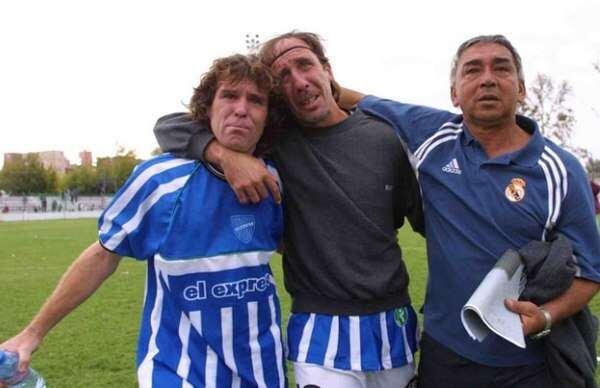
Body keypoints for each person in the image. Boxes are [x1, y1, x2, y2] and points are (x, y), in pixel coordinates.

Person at [155, 32, 423, 388]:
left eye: (305, 65)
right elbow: (168, 126)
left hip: (394, 323)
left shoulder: (385, 136)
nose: (298, 81)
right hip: (319, 327)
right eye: (282, 76)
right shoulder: (277, 141)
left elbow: (423, 220)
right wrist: (225, 155)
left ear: (327, 70)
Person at [0, 54, 286, 388]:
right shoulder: (158, 180)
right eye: (229, 96)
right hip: (178, 370)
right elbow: (103, 255)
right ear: (207, 107)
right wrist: (32, 334)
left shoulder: (276, 182)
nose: (241, 109)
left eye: (256, 101)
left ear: (268, 117)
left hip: (262, 370)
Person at [340, 34, 600, 387]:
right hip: (445, 355)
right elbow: (357, 99)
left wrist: (543, 316)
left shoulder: (561, 169)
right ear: (454, 93)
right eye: (473, 70)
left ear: (521, 88)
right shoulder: (434, 135)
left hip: (527, 364)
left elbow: (590, 273)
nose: (488, 78)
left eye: (502, 68)